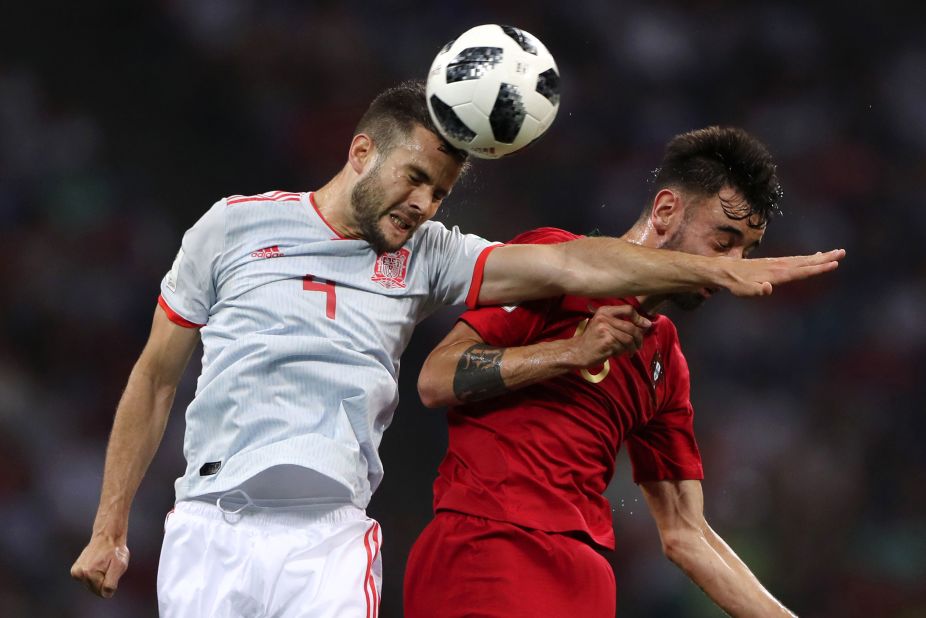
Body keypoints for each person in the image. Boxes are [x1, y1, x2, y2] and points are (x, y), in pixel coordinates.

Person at [69, 80, 840, 616]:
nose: (424, 205)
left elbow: (686, 530)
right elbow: (156, 379)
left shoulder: (433, 256)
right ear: (362, 151)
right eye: (415, 181)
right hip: (249, 522)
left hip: (349, 539)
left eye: (439, 194)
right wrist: (109, 527)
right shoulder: (232, 226)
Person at [405, 126, 808, 617]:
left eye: (746, 252)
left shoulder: (666, 359)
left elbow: (686, 533)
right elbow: (436, 377)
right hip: (490, 544)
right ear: (665, 211)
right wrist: (571, 351)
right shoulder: (554, 265)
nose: (735, 268)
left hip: (586, 573)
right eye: (723, 242)